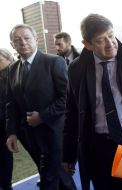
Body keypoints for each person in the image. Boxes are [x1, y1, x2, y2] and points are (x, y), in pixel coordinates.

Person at [62, 13, 122, 190]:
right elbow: (72, 112)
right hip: (99, 147)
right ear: (87, 45)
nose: (110, 44)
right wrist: (68, 155)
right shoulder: (77, 69)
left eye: (111, 35)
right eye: (101, 40)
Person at [5, 24, 76, 190]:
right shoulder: (12, 70)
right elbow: (11, 104)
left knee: (49, 178)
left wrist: (43, 116)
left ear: (36, 40)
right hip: (30, 135)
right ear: (12, 45)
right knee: (57, 175)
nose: (23, 42)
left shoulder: (54, 62)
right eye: (18, 40)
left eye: (27, 38)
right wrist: (12, 133)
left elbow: (67, 98)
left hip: (54, 133)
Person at [0, 48, 15, 190]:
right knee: (3, 156)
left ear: (9, 59)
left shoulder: (16, 73)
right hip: (2, 124)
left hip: (16, 122)